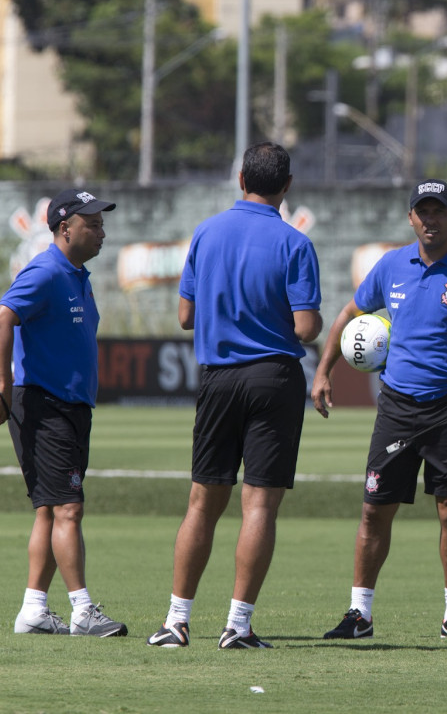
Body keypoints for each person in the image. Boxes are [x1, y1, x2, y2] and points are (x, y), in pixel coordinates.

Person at [147, 141, 322, 650]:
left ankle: (176, 621)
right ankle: (238, 626)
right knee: (259, 507)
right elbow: (306, 326)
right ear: (287, 186)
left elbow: (184, 316)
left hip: (218, 378)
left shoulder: (206, 232)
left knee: (202, 502)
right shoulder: (295, 244)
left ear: (240, 179)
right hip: (273, 378)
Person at [312, 179, 447, 642]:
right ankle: (360, 614)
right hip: (396, 405)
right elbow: (349, 313)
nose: (429, 219)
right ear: (411, 217)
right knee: (375, 510)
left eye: (438, 211)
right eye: (422, 211)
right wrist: (323, 371)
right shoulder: (392, 265)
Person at [0, 188, 128, 638]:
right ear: (65, 228)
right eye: (93, 224)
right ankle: (83, 611)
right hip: (44, 405)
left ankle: (33, 609)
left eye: (102, 223)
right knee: (68, 508)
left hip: (66, 407)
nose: (102, 231)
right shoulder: (46, 271)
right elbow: (0, 320)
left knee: (49, 511)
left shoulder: (76, 275)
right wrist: (4, 385)